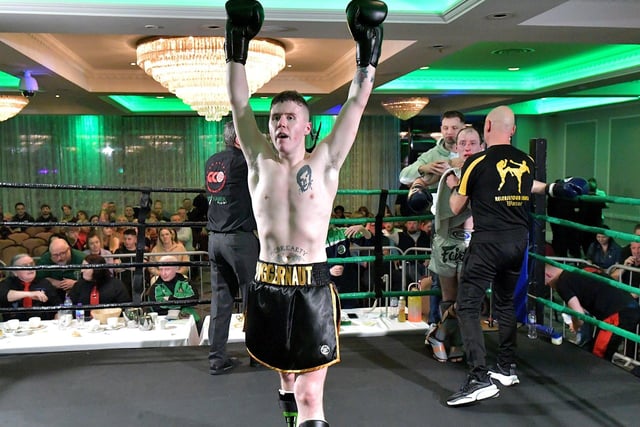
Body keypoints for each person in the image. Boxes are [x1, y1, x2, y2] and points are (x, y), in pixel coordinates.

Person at [225, 0, 386, 425]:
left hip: (313, 287)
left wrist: (367, 52)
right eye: (276, 117)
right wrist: (235, 44)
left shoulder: (326, 161)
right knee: (286, 379)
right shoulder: (259, 160)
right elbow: (240, 105)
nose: (280, 123)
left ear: (306, 127)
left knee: (312, 396)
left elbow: (355, 102)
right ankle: (287, 411)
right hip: (268, 283)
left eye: (290, 117)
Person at [445, 105, 588, 406]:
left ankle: (478, 378)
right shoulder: (526, 160)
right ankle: (506, 368)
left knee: (468, 306)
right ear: (512, 130)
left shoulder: (477, 162)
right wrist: (552, 188)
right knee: (506, 302)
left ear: (486, 127)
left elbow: (457, 207)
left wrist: (455, 186)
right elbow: (526, 185)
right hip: (518, 243)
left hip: (487, 243)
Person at [423, 126, 484, 363]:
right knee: (450, 296)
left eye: (472, 143)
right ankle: (455, 342)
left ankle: (440, 335)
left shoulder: (485, 172)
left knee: (467, 297)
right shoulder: (449, 171)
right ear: (457, 146)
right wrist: (421, 177)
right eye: (463, 143)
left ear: (482, 146)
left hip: (474, 241)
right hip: (447, 240)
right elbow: (411, 177)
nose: (467, 147)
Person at [205, 120, 260, 375]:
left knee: (220, 300)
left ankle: (217, 358)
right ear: (239, 139)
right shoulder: (244, 162)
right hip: (238, 239)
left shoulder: (212, 160)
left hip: (214, 238)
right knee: (253, 296)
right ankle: (258, 355)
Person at [544, 263, 640, 360]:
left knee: (598, 355)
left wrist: (575, 325)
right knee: (598, 351)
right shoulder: (579, 267)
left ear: (548, 275)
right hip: (628, 305)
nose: (549, 287)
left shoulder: (562, 282)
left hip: (616, 313)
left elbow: (578, 314)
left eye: (547, 283)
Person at [399, 110, 466, 187]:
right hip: (439, 198)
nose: (449, 132)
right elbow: (403, 177)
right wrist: (423, 168)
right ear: (441, 129)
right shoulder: (431, 154)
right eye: (445, 128)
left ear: (463, 128)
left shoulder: (473, 151)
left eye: (454, 128)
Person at [0, 253, 61, 321]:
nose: (30, 268)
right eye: (25, 266)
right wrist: (30, 294)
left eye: (32, 264)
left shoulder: (44, 283)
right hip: (14, 326)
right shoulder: (8, 283)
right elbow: (3, 295)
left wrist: (57, 316)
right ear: (15, 272)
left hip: (42, 325)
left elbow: (58, 306)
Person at [150, 255, 200, 323]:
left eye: (167, 269)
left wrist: (170, 299)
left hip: (187, 317)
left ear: (176, 268)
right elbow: (156, 307)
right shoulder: (155, 287)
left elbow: (194, 299)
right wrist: (181, 301)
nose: (164, 273)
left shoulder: (186, 282)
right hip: (165, 320)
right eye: (161, 269)